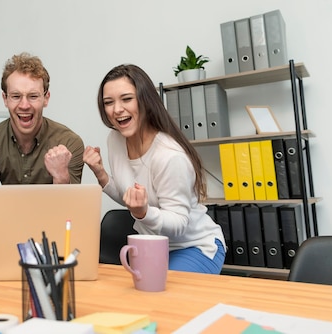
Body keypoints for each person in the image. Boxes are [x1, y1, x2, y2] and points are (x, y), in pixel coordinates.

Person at [83, 64, 226, 274]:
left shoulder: (169, 156)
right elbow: (129, 197)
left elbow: (179, 223)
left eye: (126, 99)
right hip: (149, 244)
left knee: (162, 301)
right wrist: (101, 174)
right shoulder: (115, 140)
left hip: (193, 246)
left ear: (145, 100)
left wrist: (143, 213)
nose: (117, 109)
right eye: (108, 102)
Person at [0, 52, 84, 185]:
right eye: (15, 96)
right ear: (5, 99)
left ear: (46, 98)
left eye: (33, 96)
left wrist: (61, 177)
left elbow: (71, 204)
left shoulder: (69, 143)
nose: (24, 106)